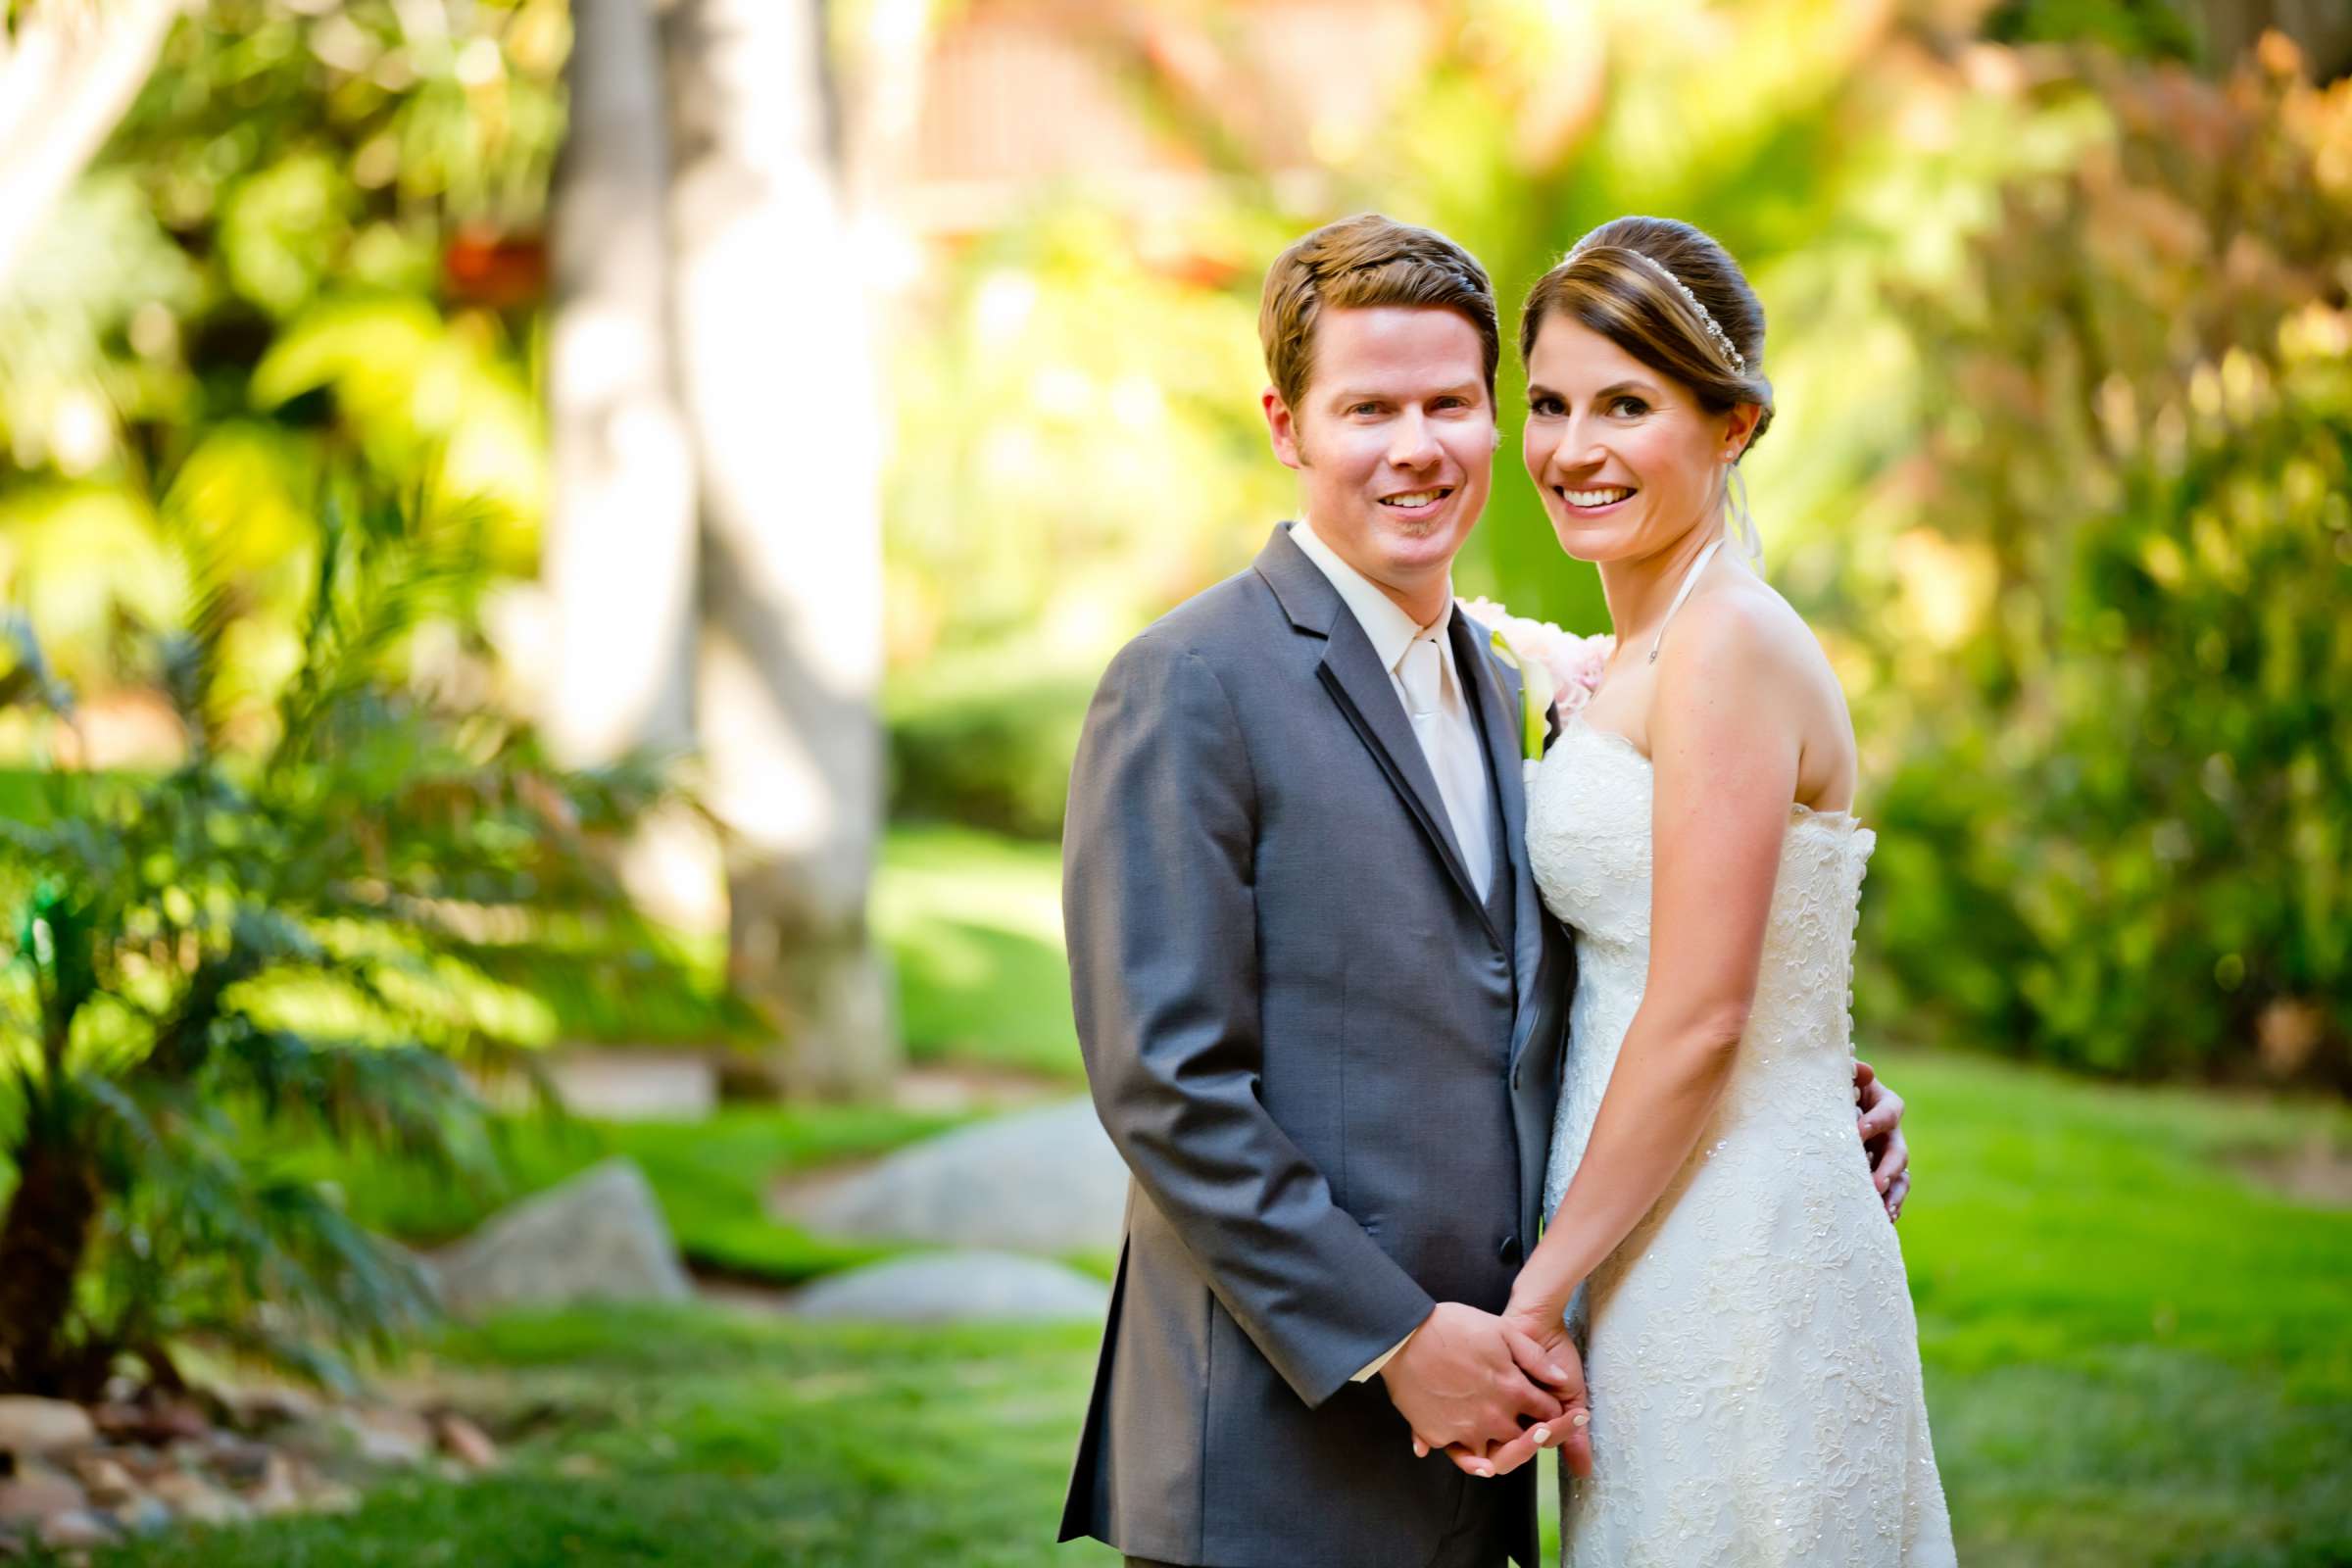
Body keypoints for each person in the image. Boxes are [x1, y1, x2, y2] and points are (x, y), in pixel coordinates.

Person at [1056, 213, 1912, 1568]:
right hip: (1285, 1459)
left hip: (1512, 1442)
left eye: (1452, 403)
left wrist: (1807, 1087)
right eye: (1368, 408)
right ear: (1287, 425)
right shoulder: (1188, 684)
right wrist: (1397, 1341)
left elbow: (1596, 974)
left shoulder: (1516, 680)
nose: (1416, 447)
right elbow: (1165, 1083)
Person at [1491, 215, 1955, 1563]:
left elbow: (1701, 1015)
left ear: (1732, 423)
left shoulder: (1728, 647)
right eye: (1552, 405)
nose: (1574, 450)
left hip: (1733, 1242)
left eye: (1627, 405)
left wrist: (1536, 1294)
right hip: (1656, 1224)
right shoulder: (1644, 647)